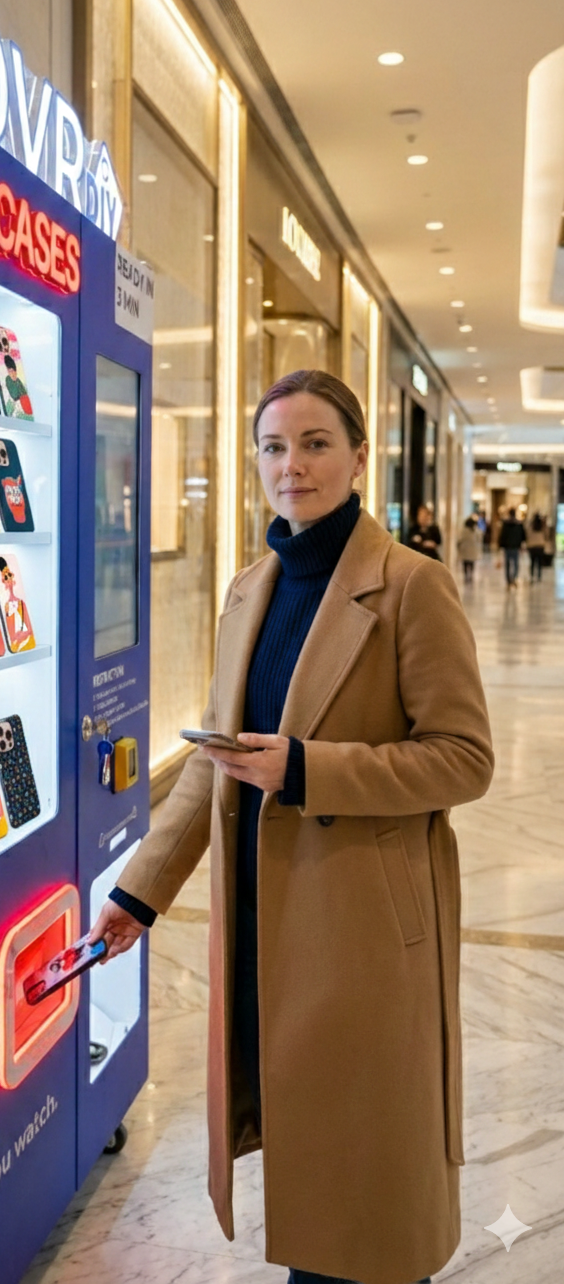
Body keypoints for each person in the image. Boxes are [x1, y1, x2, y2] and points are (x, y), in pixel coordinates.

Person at [90, 369, 493, 1284]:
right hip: (266, 927)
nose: (292, 465)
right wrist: (138, 895)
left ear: (358, 457)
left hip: (362, 930)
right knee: (306, 1155)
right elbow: (213, 760)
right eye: (274, 447)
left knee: (369, 1190)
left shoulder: (411, 587)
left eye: (315, 444)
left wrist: (309, 769)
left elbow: (464, 758)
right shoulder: (250, 589)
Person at [497, 507, 526, 588]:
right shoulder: (519, 524)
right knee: (516, 564)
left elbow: (502, 535)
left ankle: (508, 580)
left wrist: (500, 545)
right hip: (515, 547)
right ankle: (514, 577)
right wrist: (521, 544)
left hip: (507, 547)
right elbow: (523, 536)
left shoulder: (506, 524)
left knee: (508, 564)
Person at [456, 515, 482, 583]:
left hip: (465, 550)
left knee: (465, 564)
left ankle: (466, 576)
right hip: (473, 550)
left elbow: (459, 540)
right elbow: (479, 540)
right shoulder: (476, 531)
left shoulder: (463, 531)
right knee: (472, 563)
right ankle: (471, 575)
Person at [526, 512, 545, 581]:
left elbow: (527, 535)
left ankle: (532, 576)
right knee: (539, 562)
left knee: (532, 562)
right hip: (540, 546)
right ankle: (539, 576)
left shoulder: (531, 526)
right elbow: (546, 535)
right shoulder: (542, 527)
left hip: (532, 546)